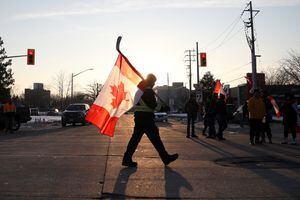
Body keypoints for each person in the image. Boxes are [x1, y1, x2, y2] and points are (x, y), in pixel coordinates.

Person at [122, 74, 179, 167]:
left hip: (139, 119)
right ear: (150, 82)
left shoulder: (139, 91)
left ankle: (126, 158)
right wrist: (164, 108)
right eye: (153, 82)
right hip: (147, 119)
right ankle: (166, 158)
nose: (154, 84)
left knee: (134, 140)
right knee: (156, 140)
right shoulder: (148, 91)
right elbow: (153, 105)